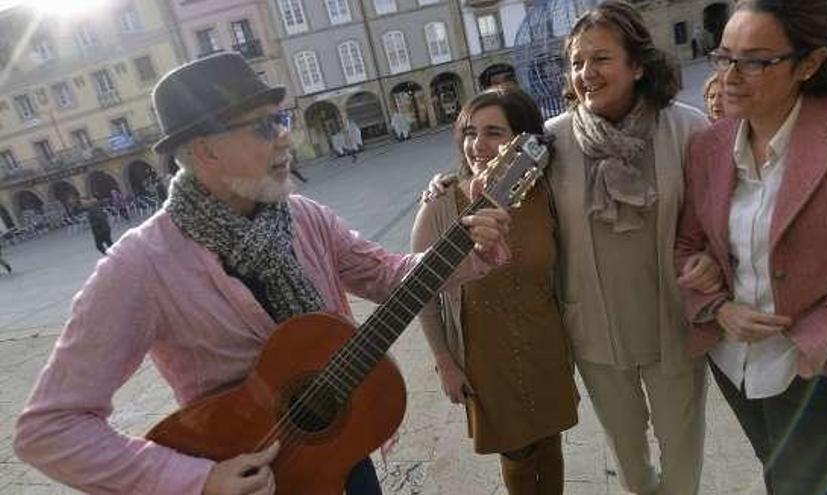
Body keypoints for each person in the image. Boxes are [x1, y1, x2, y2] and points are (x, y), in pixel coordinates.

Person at [13, 52, 511, 495]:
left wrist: (466, 248)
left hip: (340, 445)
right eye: (262, 126)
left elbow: (388, 276)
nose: (284, 136)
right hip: (246, 478)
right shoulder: (140, 265)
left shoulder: (304, 217)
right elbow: (49, 429)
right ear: (205, 149)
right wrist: (195, 480)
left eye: (281, 118)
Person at [675, 1, 827, 493]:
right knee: (782, 476)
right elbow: (686, 245)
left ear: (809, 63)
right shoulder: (710, 144)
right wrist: (715, 303)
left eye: (755, 61)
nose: (729, 75)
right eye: (723, 56)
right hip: (735, 363)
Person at [545, 3, 714, 494]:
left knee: (682, 454)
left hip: (673, 324)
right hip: (596, 331)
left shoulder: (687, 129)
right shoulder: (551, 143)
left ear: (637, 64)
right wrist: (446, 190)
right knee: (630, 462)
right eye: (577, 63)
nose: (585, 73)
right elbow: (503, 198)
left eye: (600, 59)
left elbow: (716, 220)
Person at [412, 87, 579, 494]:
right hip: (485, 353)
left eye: (494, 133)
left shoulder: (544, 193)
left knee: (550, 442)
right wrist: (445, 363)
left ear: (522, 139)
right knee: (517, 455)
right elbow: (421, 293)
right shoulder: (442, 204)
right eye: (470, 132)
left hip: (545, 343)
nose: (477, 145)